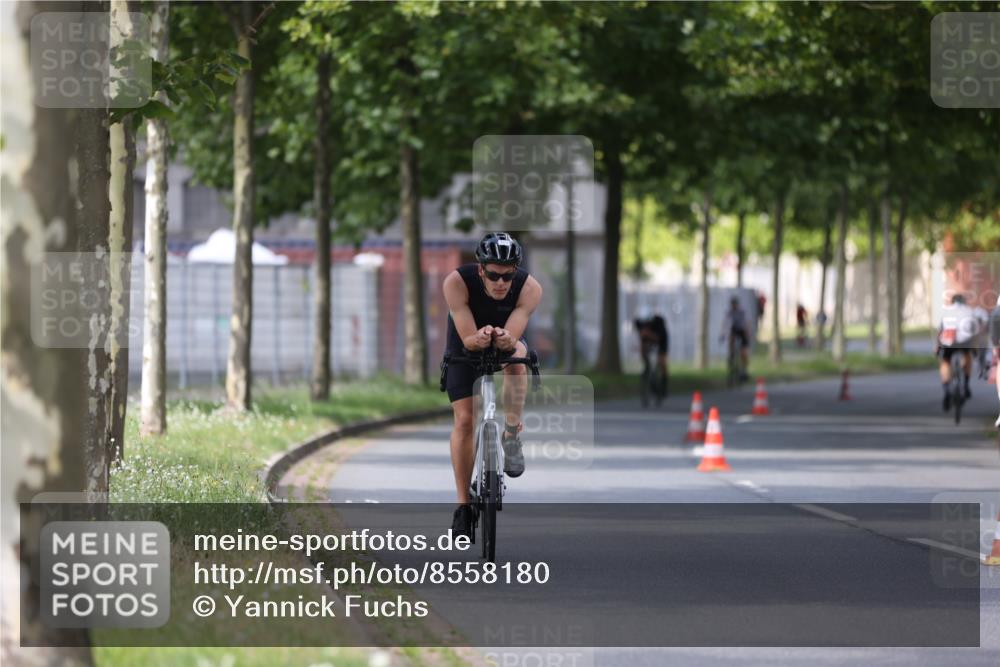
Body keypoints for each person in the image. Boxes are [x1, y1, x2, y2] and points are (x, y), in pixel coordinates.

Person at [441, 232, 543, 538]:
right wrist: (478, 338)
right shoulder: (456, 282)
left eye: (508, 275)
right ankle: (462, 506)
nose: (501, 283)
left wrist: (503, 340)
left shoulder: (530, 288)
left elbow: (513, 337)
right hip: (465, 340)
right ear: (481, 270)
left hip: (503, 339)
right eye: (495, 275)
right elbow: (468, 337)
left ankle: (511, 434)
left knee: (517, 358)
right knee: (465, 421)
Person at [936, 293, 980, 411]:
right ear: (964, 302)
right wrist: (975, 348)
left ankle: (946, 390)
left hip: (948, 340)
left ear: (952, 302)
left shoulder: (945, 311)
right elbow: (975, 330)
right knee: (967, 355)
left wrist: (937, 347)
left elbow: (940, 330)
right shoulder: (970, 311)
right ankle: (965, 384)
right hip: (964, 341)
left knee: (945, 361)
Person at [634, 312, 669, 397]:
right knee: (646, 360)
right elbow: (642, 340)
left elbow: (660, 339)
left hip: (661, 341)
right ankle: (647, 373)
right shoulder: (640, 325)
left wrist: (649, 334)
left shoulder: (659, 325)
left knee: (662, 362)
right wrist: (643, 355)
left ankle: (664, 387)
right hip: (648, 341)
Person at [720, 296, 750, 380]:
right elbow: (725, 323)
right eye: (732, 305)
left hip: (742, 331)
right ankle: (731, 356)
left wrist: (747, 334)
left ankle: (744, 370)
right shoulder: (729, 312)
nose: (733, 306)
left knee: (743, 352)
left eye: (735, 305)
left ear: (737, 305)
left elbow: (747, 323)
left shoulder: (742, 312)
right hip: (734, 330)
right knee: (731, 340)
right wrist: (722, 334)